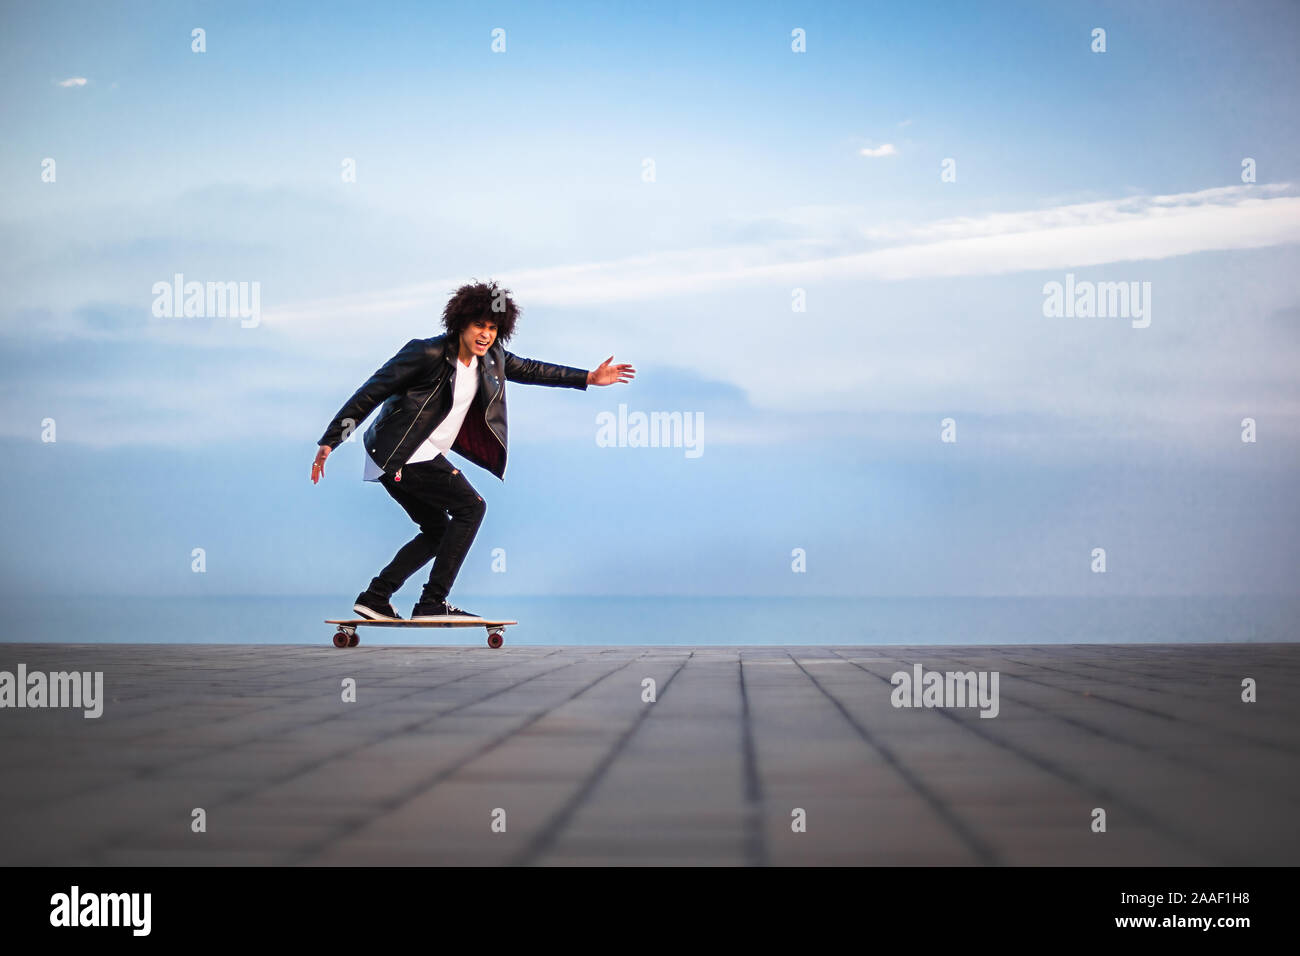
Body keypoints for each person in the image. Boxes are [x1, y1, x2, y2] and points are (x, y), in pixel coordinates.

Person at [311, 279, 634, 620]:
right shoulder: (427, 353)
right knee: (472, 507)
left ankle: (376, 597)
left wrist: (587, 377)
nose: (486, 334)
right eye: (479, 325)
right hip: (399, 453)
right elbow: (372, 391)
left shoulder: (491, 360)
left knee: (438, 531)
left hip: (416, 456)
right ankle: (432, 603)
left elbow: (532, 369)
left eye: (493, 328)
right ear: (460, 323)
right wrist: (331, 439)